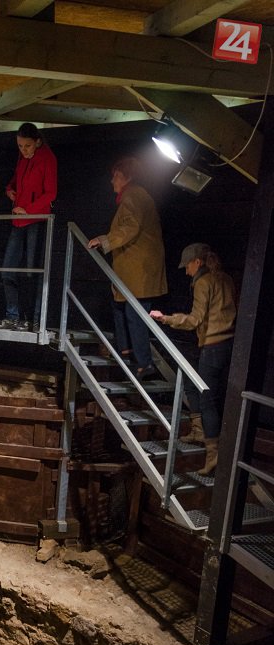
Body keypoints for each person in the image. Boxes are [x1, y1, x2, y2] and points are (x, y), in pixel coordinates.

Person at [151, 244, 236, 477]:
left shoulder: (203, 282)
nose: (187, 271)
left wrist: (166, 319)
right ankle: (198, 429)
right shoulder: (226, 279)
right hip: (227, 345)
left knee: (207, 400)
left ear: (197, 262)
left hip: (213, 345)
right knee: (195, 383)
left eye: (187, 266)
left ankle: (213, 455)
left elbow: (194, 320)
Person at [88, 156, 167, 380]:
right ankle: (127, 351)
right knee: (121, 306)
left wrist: (104, 240)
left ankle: (143, 362)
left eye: (117, 176)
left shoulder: (134, 196)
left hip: (139, 268)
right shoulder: (133, 196)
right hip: (133, 268)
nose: (112, 180)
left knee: (134, 312)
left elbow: (130, 227)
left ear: (128, 177)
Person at [0, 123, 57, 332]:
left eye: (27, 146)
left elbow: (50, 193)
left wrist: (28, 209)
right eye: (20, 146)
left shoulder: (47, 158)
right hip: (18, 220)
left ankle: (34, 319)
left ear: (37, 142)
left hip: (35, 220)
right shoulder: (23, 158)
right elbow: (16, 180)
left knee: (32, 272)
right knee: (8, 269)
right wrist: (9, 189)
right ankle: (12, 316)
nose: (23, 150)